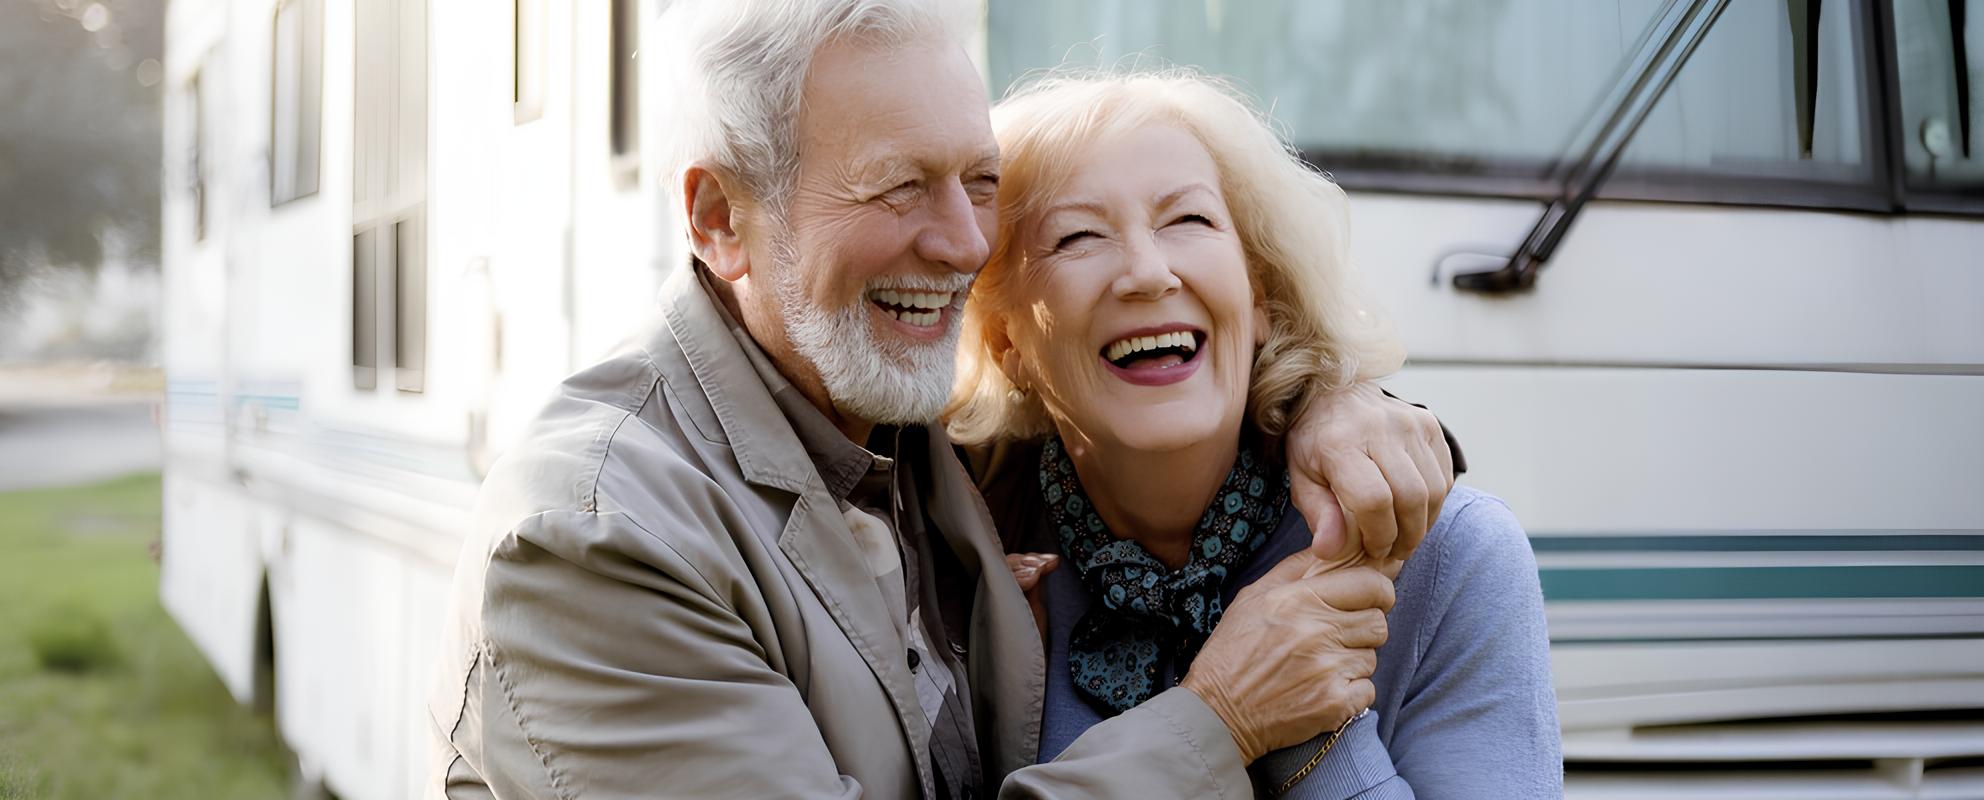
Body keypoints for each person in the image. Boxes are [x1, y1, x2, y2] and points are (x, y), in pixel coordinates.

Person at [425, 2, 1459, 797]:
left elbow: (1165, 384)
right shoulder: (598, 537)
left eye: (978, 181)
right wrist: (1218, 717)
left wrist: (1331, 404)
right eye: (895, 186)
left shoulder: (907, 435)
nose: (968, 244)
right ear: (718, 217)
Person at [951, 70, 1562, 797]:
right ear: (1005, 344)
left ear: (1260, 296)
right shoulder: (960, 561)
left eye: (1190, 220)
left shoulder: (1455, 556)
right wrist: (1233, 707)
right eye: (1078, 236)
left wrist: (1314, 721)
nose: (1147, 273)